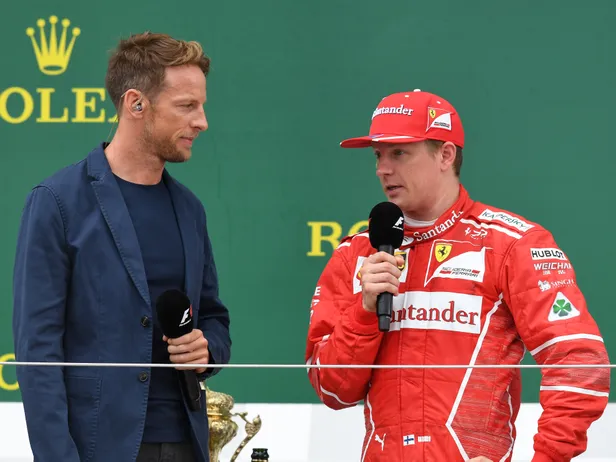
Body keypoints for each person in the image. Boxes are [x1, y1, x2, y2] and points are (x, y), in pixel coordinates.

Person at [304, 89, 610, 461]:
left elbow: (580, 362)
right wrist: (365, 312)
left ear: (446, 155)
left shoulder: (511, 244)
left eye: (399, 153)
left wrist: (545, 458)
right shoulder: (357, 252)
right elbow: (333, 391)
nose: (383, 169)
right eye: (378, 155)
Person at [12, 31, 231, 462]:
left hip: (187, 442)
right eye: (187, 105)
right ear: (136, 104)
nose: (202, 121)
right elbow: (38, 352)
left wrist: (206, 349)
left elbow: (214, 317)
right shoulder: (57, 202)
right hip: (98, 447)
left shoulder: (190, 209)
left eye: (201, 106)